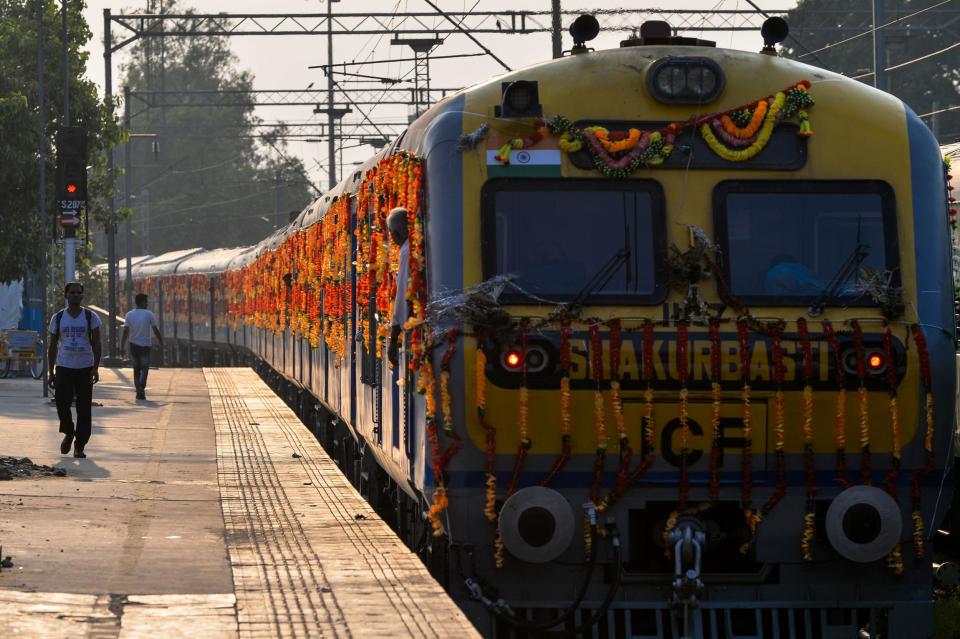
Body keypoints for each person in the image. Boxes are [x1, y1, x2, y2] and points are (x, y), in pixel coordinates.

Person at [47, 282, 101, 459]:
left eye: (79, 293)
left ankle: (80, 446)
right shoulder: (59, 317)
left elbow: (97, 343)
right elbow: (53, 345)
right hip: (64, 366)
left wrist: (95, 368)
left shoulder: (90, 316)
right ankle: (69, 432)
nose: (76, 295)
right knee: (62, 404)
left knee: (84, 409)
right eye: (72, 292)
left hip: (84, 367)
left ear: (82, 295)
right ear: (66, 295)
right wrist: (51, 371)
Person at [121, 293, 163, 400]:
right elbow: (155, 330)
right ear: (142, 302)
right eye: (146, 301)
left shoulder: (129, 315)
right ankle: (141, 388)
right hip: (145, 346)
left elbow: (125, 331)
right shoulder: (149, 314)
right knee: (144, 368)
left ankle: (138, 388)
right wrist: (160, 340)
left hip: (133, 345)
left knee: (136, 368)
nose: (147, 303)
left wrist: (122, 345)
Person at [386, 207, 409, 367]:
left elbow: (402, 295)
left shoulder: (406, 252)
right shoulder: (409, 249)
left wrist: (393, 337)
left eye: (391, 232)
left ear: (396, 232)